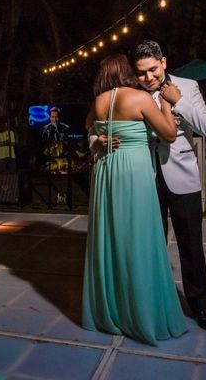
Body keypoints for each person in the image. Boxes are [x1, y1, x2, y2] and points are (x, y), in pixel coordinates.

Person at [93, 40, 206, 331]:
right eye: (141, 73)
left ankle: (200, 308)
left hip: (181, 176)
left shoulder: (188, 85)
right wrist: (96, 140)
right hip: (143, 179)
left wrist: (179, 101)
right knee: (149, 244)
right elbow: (99, 124)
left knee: (190, 245)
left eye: (153, 70)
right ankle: (151, 304)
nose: (149, 78)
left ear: (164, 62)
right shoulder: (132, 94)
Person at [83, 53, 187, 345]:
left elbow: (88, 126)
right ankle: (141, 314)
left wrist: (98, 140)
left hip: (106, 171)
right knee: (140, 238)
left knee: (111, 238)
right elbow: (168, 134)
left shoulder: (99, 101)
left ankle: (110, 312)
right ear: (126, 72)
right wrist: (166, 105)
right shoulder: (140, 99)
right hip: (133, 172)